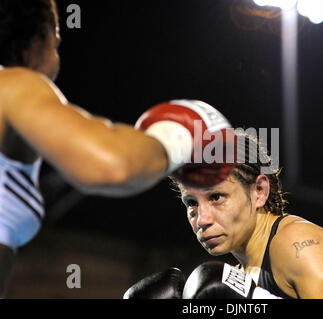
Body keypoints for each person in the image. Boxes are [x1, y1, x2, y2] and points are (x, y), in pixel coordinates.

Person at [0, 0, 232, 297]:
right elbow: (114, 166)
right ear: (39, 38)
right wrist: (182, 134)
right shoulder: (13, 84)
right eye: (56, 43)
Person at [172, 131, 323, 299]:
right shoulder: (239, 280)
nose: (202, 220)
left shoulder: (296, 243)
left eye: (216, 197)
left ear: (259, 191)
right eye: (192, 203)